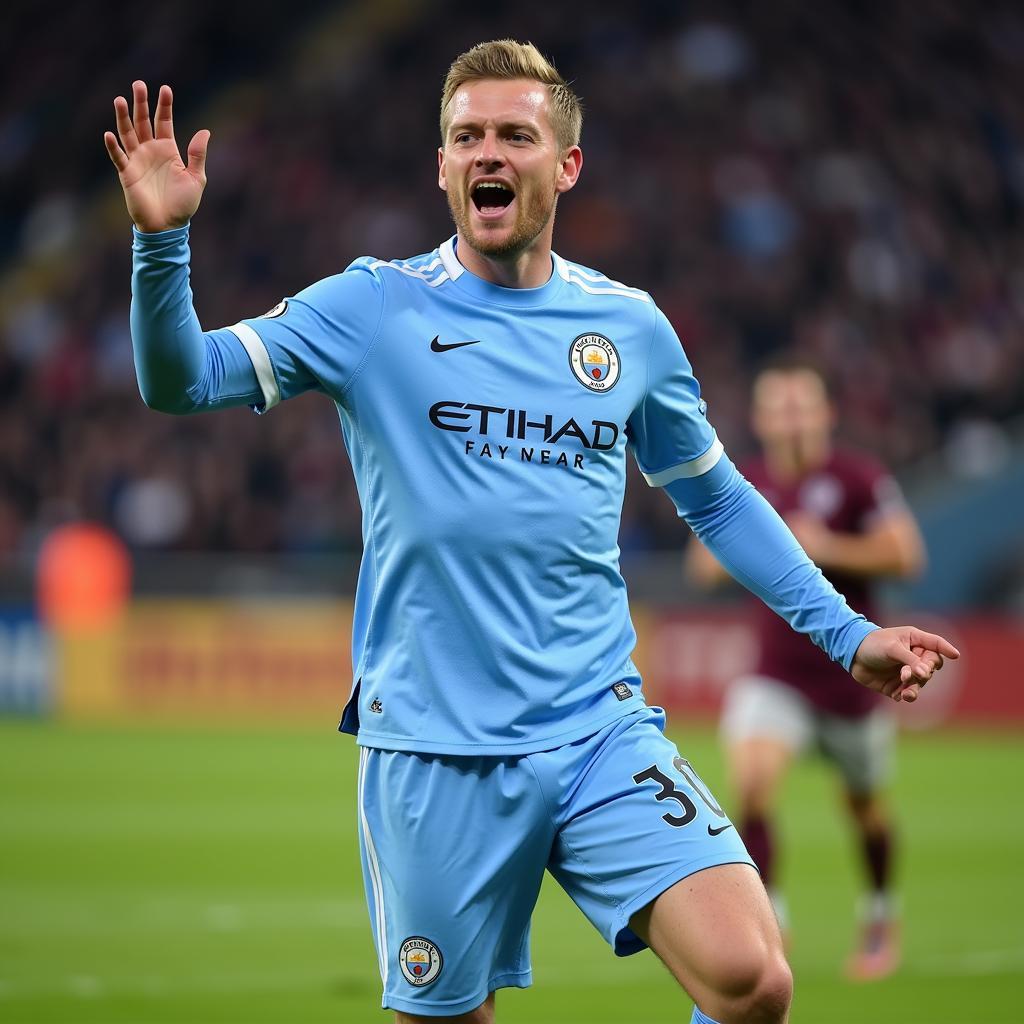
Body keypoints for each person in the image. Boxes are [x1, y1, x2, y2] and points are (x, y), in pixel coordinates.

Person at [105, 39, 957, 1024]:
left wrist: (849, 635)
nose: (488, 154)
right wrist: (160, 243)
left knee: (752, 979)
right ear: (440, 166)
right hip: (433, 747)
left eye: (515, 134)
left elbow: (717, 499)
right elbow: (180, 380)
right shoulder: (373, 306)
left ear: (566, 166)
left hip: (596, 727)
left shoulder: (627, 328)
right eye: (466, 136)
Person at [686, 359, 925, 981]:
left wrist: (826, 545)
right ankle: (773, 923)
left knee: (865, 809)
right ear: (762, 419)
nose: (791, 418)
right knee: (754, 785)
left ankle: (879, 912)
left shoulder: (858, 478)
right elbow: (702, 566)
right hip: (777, 673)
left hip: (852, 680)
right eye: (779, 406)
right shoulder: (747, 483)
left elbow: (906, 554)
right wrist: (757, 550)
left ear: (825, 413)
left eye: (801, 405)